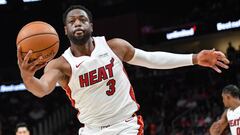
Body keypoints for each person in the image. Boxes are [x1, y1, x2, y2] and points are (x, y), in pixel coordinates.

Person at [17, 5, 230, 135]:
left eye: (82, 19)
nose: (77, 23)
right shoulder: (60, 65)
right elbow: (42, 88)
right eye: (72, 21)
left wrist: (194, 58)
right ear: (65, 30)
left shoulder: (114, 47)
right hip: (91, 131)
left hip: (125, 126)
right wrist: (27, 76)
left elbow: (151, 59)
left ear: (91, 25)